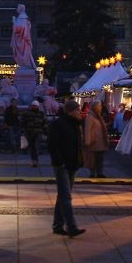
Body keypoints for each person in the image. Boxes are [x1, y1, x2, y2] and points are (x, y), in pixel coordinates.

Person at [47, 100, 86, 237]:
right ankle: (71, 226)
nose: (80, 112)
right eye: (77, 110)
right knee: (66, 196)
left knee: (63, 196)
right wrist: (60, 162)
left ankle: (58, 225)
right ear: (70, 111)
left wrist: (80, 160)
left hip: (73, 164)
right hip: (62, 165)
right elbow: (53, 144)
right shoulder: (58, 124)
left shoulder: (76, 124)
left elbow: (78, 145)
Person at [84, 101, 110, 178]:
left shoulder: (98, 116)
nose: (101, 107)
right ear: (95, 107)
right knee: (93, 158)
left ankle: (99, 173)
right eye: (100, 106)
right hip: (94, 142)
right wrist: (88, 141)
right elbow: (87, 129)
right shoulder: (90, 116)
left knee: (100, 158)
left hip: (101, 141)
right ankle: (92, 173)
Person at [20, 100, 47, 167]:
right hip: (29, 132)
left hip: (38, 132)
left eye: (35, 106)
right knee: (32, 147)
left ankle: (35, 161)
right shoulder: (27, 113)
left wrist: (45, 132)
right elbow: (22, 122)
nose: (34, 107)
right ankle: (33, 160)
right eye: (33, 105)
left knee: (35, 146)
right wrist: (23, 131)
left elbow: (44, 123)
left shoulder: (41, 114)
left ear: (38, 106)